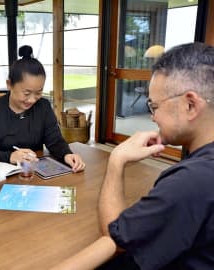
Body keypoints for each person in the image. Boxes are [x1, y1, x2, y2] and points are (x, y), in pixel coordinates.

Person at [51, 42, 214, 270]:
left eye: (154, 106)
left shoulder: (190, 182)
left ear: (190, 105)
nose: (152, 118)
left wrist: (117, 159)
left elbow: (116, 238)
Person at [0, 45, 85, 172]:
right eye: (26, 93)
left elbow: (55, 140)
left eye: (38, 93)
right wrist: (10, 156)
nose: (32, 100)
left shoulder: (43, 107)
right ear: (10, 85)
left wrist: (66, 154)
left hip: (30, 173)